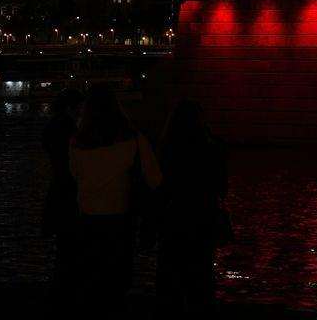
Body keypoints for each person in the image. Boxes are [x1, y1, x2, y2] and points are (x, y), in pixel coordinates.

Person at [69, 83, 161, 316]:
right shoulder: (133, 139)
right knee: (117, 280)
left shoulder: (77, 142)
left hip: (87, 217)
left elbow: (74, 174)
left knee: (91, 279)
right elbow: (155, 178)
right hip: (120, 217)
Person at [155, 101, 228, 318]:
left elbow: (159, 187)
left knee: (171, 277)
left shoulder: (165, 148)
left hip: (174, 217)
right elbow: (222, 187)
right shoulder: (214, 147)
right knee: (201, 275)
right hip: (203, 217)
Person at [41, 88, 83, 308]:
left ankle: (58, 294)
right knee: (70, 247)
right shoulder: (70, 130)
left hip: (58, 190)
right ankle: (65, 295)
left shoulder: (52, 127)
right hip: (69, 193)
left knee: (63, 247)